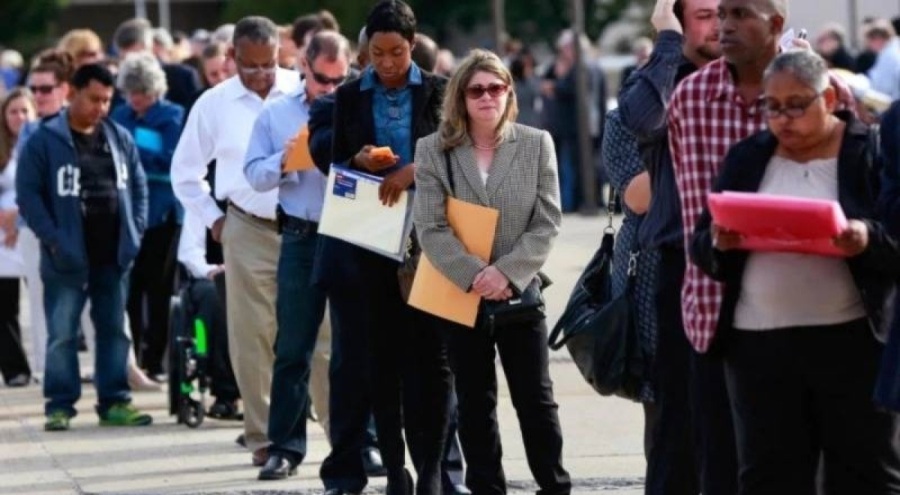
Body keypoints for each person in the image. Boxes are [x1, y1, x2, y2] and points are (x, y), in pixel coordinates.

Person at [692, 49, 900, 495]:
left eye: (797, 104)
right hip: (759, 347)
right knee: (770, 475)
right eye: (772, 106)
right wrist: (718, 242)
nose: (783, 118)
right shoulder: (748, 157)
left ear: (828, 98)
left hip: (852, 344)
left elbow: (895, 237)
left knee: (865, 472)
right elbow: (701, 241)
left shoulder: (869, 150)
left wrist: (865, 237)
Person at [413, 48, 570, 495]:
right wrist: (476, 275)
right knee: (476, 405)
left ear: (509, 93)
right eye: (477, 90)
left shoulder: (537, 143)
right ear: (461, 97)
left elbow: (548, 220)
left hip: (519, 294)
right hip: (461, 296)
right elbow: (430, 226)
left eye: (496, 88)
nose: (487, 97)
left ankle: (554, 485)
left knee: (536, 401)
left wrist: (506, 273)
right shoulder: (433, 150)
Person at [314, 1, 451, 494]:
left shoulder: (438, 91)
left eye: (396, 52)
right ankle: (394, 469)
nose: (388, 64)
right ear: (365, 51)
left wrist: (417, 168)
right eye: (377, 53)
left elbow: (458, 153)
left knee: (431, 363)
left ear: (413, 48)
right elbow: (334, 164)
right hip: (370, 240)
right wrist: (359, 157)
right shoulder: (350, 96)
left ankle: (433, 471)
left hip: (431, 240)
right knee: (379, 360)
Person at [171, 15, 301, 467]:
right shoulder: (213, 104)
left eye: (270, 63)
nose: (262, 74)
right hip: (245, 226)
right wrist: (213, 220)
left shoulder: (302, 91)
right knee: (252, 335)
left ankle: (335, 428)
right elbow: (184, 173)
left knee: (316, 330)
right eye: (251, 66)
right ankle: (263, 436)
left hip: (304, 225)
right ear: (231, 58)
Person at [616, 0, 729, 492]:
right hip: (674, 268)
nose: (718, 24)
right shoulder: (655, 81)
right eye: (703, 14)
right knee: (674, 426)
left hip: (750, 268)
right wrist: (665, 44)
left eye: (725, 11)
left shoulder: (759, 75)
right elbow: (642, 121)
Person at [16, 63, 150, 431]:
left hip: (113, 254)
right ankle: (59, 405)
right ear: (71, 92)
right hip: (66, 256)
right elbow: (29, 197)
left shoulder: (119, 137)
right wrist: (56, 241)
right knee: (62, 333)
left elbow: (138, 189)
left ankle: (115, 401)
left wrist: (135, 233)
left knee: (113, 330)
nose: (101, 108)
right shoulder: (43, 141)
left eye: (107, 100)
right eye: (94, 99)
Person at [243, 29, 351, 481]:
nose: (330, 89)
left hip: (349, 233)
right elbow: (253, 174)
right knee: (293, 346)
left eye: (340, 79)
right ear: (304, 67)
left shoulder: (357, 105)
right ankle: (284, 447)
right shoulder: (277, 113)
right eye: (323, 80)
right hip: (302, 236)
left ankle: (359, 445)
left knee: (353, 347)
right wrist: (285, 162)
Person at [111, 52, 184, 381]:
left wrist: (135, 155)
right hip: (126, 215)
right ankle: (132, 360)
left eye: (139, 92)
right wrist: (144, 155)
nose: (134, 99)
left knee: (159, 289)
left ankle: (157, 361)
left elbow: (172, 161)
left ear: (154, 90)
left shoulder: (173, 115)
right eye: (129, 92)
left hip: (164, 216)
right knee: (130, 289)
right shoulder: (119, 114)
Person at [176, 207, 241, 420]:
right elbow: (189, 252)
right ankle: (226, 393)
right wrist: (211, 270)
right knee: (215, 296)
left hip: (256, 273)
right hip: (210, 277)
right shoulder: (201, 202)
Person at [0, 87, 35, 387]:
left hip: (31, 228)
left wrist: (18, 215)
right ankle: (15, 369)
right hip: (2, 238)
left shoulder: (40, 142)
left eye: (25, 111)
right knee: (5, 305)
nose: (20, 117)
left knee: (41, 303)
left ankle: (49, 368)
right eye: (13, 111)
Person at [113, 18, 202, 111]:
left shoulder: (182, 77)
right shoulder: (118, 83)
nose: (132, 63)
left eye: (135, 55)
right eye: (125, 59)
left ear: (149, 46)